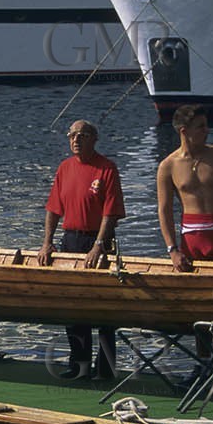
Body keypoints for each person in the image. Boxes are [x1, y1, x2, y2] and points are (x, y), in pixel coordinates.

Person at [156, 105, 213, 390]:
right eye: (201, 127)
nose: (207, 131)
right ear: (184, 131)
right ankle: (204, 365)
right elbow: (164, 210)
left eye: (206, 125)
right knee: (199, 305)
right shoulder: (168, 166)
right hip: (192, 238)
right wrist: (173, 250)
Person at [38, 120, 126, 380]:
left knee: (105, 307)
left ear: (94, 139)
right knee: (73, 304)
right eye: (72, 135)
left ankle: (106, 369)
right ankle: (79, 365)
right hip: (71, 241)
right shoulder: (64, 168)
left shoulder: (107, 168)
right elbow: (53, 209)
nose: (76, 140)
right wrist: (47, 242)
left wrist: (98, 245)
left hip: (99, 241)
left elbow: (111, 213)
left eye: (82, 135)